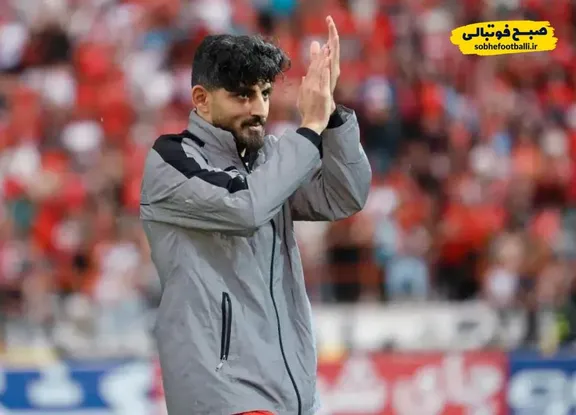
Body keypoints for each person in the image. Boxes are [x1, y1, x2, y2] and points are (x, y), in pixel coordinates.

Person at [140, 16, 371, 415]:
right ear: (201, 99)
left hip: (293, 392)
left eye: (264, 93)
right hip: (223, 393)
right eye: (242, 96)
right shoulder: (170, 160)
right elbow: (245, 207)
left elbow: (344, 195)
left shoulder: (271, 159)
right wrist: (310, 127)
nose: (258, 109)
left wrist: (331, 114)